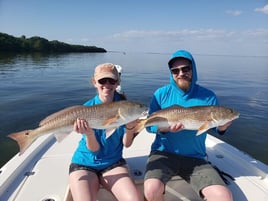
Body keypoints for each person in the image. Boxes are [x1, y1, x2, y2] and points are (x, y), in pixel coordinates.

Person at [143, 50, 233, 201]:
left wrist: (224, 127)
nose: (181, 73)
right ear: (171, 73)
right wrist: (165, 129)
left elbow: (217, 128)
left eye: (185, 69)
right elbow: (148, 126)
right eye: (175, 70)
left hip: (196, 158)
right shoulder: (160, 94)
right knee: (151, 190)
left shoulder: (208, 96)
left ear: (193, 69)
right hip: (163, 153)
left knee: (223, 196)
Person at [69, 63, 141, 201]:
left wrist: (130, 127)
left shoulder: (126, 107)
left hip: (113, 162)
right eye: (102, 81)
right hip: (84, 163)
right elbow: (94, 150)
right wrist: (89, 133)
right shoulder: (86, 109)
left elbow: (127, 144)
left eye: (112, 80)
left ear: (117, 82)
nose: (107, 84)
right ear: (94, 82)